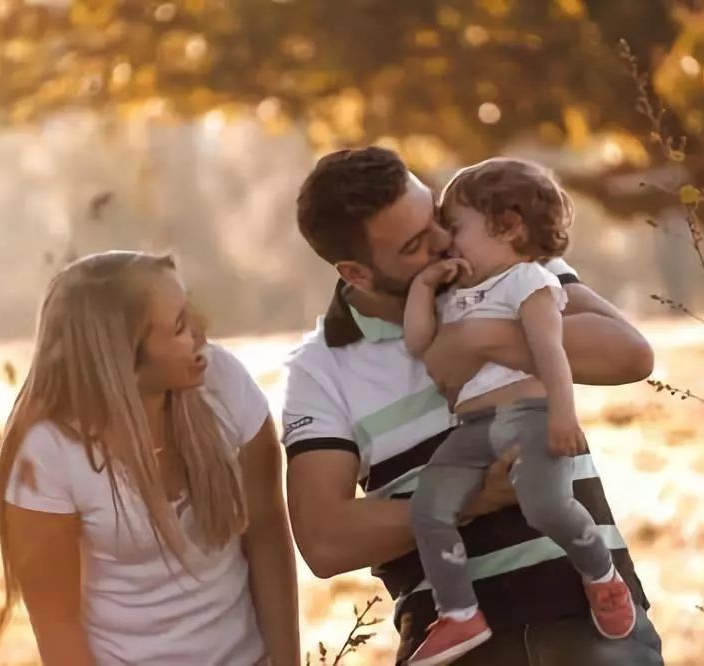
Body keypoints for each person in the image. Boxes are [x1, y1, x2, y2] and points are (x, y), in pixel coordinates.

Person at [282, 147, 663, 665]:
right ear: (358, 272)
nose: (444, 241)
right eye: (416, 243)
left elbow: (629, 354)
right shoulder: (320, 370)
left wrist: (485, 338)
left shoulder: (508, 262)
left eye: (435, 215)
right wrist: (478, 498)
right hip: (453, 648)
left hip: (588, 624)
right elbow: (324, 542)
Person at [0, 251, 299, 666]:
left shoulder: (224, 384)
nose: (202, 332)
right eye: (179, 326)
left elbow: (267, 536)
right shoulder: (49, 453)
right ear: (125, 361)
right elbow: (57, 626)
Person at [402, 158, 636, 665]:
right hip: (473, 427)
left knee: (544, 506)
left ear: (506, 226)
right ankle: (460, 613)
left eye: (454, 225)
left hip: (529, 413)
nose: (444, 239)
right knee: (429, 510)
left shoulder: (528, 282)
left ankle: (601, 575)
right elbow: (420, 343)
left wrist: (562, 415)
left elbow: (552, 351)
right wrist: (424, 288)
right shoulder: (455, 292)